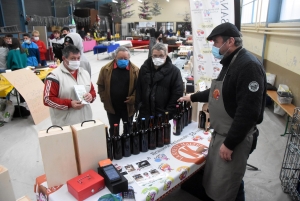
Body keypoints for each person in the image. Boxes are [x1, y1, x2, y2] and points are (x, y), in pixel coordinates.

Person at [178, 22, 266, 201]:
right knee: (223, 179)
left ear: (230, 41)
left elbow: (249, 112)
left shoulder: (248, 66)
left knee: (230, 182)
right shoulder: (231, 62)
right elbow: (217, 92)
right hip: (222, 134)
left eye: (216, 42)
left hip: (235, 138)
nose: (214, 47)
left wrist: (230, 143)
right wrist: (192, 97)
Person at [43, 44, 96, 126]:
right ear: (64, 58)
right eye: (73, 58)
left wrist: (91, 96)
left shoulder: (84, 73)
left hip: (86, 120)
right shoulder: (54, 76)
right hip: (66, 123)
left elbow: (92, 91)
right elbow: (48, 99)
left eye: (78, 58)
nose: (76, 61)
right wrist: (69, 104)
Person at [135, 43, 183, 123]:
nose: (158, 58)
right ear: (151, 55)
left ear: (166, 55)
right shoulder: (144, 69)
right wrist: (139, 106)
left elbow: (177, 94)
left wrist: (167, 113)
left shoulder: (174, 72)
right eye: (155, 56)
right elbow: (139, 89)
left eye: (161, 56)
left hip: (163, 115)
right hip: (145, 114)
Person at [97, 46, 139, 135]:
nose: (123, 60)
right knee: (113, 129)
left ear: (129, 58)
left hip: (128, 107)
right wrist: (104, 98)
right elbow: (101, 85)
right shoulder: (105, 69)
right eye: (120, 58)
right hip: (112, 107)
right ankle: (115, 146)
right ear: (115, 57)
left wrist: (134, 98)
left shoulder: (135, 70)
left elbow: (139, 87)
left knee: (128, 129)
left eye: (125, 58)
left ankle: (127, 147)